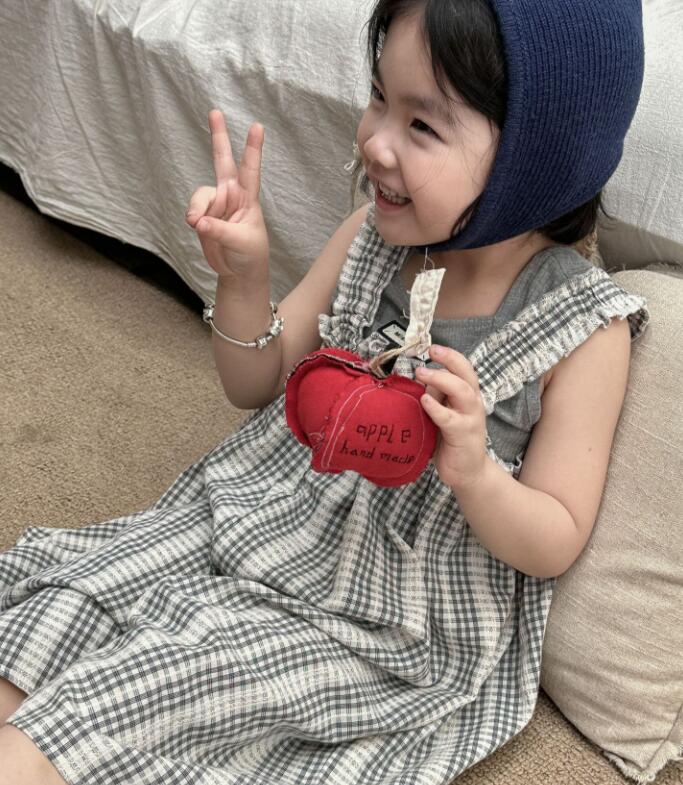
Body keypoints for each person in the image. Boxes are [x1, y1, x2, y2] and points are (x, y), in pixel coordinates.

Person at [0, 0, 649, 783]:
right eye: (378, 97)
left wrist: (476, 472)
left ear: (535, 159)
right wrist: (242, 281)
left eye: (421, 125)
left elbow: (555, 536)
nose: (373, 141)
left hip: (384, 618)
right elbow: (254, 384)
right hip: (265, 514)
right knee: (63, 608)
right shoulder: (371, 238)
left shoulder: (581, 328)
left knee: (137, 692)